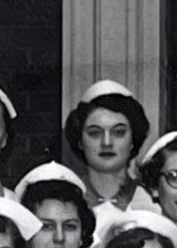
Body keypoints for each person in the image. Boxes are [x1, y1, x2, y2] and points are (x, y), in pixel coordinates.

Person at [59, 79, 152, 216]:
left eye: (118, 132)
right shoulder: (65, 200)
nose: (107, 143)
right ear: (80, 141)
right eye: (95, 133)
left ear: (133, 140)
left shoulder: (151, 201)